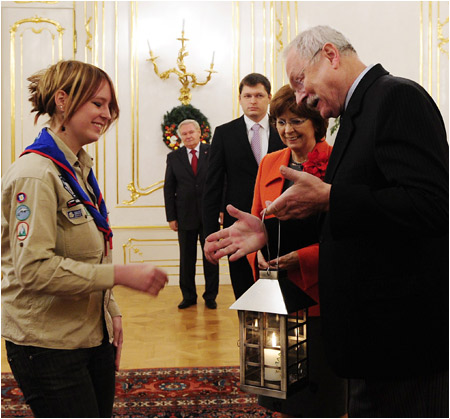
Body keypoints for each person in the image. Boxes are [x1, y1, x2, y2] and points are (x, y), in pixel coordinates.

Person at [205, 26, 448, 417]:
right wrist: (268, 232)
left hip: (401, 342)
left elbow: (434, 206)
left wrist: (331, 196)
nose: (301, 98)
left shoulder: (397, 97)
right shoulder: (359, 112)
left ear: (331, 55)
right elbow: (355, 220)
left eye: (300, 82)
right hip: (372, 339)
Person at [1, 60, 168, 418]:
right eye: (97, 103)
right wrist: (121, 275)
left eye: (109, 106)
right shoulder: (35, 174)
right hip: (48, 344)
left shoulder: (78, 166)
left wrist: (111, 311)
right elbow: (33, 271)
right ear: (62, 100)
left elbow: (91, 250)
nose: (106, 114)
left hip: (91, 334)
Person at [246, 84, 347, 417]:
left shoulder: (338, 164)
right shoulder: (270, 163)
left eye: (296, 122)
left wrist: (300, 259)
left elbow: (348, 236)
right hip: (273, 292)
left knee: (318, 397)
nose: (287, 130)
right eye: (280, 122)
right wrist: (256, 252)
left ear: (316, 123)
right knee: (276, 390)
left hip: (320, 297)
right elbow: (256, 221)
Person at [203, 73, 285, 299]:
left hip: (279, 222)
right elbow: (213, 186)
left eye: (259, 95)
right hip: (237, 227)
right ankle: (248, 335)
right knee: (245, 291)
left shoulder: (284, 130)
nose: (253, 100)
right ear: (239, 99)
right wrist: (210, 233)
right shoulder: (224, 133)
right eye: (247, 95)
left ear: (269, 97)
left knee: (279, 292)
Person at [163, 119, 219, 309]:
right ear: (180, 137)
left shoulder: (212, 152)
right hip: (184, 216)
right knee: (186, 259)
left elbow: (222, 181)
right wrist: (171, 217)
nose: (188, 136)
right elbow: (169, 189)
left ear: (199, 133)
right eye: (184, 134)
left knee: (211, 257)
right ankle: (188, 296)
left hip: (209, 214)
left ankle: (210, 296)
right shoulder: (174, 157)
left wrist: (221, 209)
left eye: (191, 133)